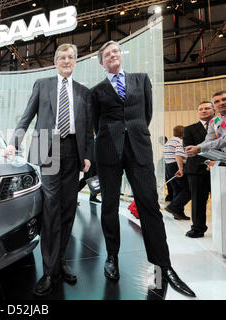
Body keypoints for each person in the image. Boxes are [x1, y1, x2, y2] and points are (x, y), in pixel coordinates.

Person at [91, 40, 195, 297]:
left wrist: (132, 132)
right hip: (108, 153)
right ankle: (112, 257)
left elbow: (145, 114)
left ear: (120, 55)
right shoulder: (96, 91)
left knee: (149, 206)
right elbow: (95, 125)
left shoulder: (141, 79)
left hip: (138, 149)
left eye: (115, 51)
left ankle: (164, 266)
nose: (113, 55)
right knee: (109, 207)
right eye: (107, 54)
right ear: (102, 62)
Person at [3, 43, 93, 296]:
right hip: (49, 148)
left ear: (75, 62)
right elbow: (27, 116)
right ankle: (49, 271)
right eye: (62, 57)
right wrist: (13, 143)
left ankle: (60, 261)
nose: (67, 61)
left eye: (71, 57)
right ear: (55, 62)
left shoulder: (83, 92)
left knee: (67, 210)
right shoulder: (42, 84)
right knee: (52, 208)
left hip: (73, 152)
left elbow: (87, 128)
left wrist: (87, 155)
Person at [182, 101, 216, 238]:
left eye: (207, 108)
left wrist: (215, 161)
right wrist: (208, 161)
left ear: (213, 110)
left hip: (218, 168)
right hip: (197, 170)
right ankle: (197, 228)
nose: (204, 111)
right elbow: (190, 150)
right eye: (201, 109)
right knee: (198, 201)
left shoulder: (220, 127)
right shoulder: (189, 129)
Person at [186, 91, 226, 156]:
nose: (221, 103)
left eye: (224, 99)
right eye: (217, 102)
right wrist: (194, 148)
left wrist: (199, 148)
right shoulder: (214, 121)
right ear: (214, 107)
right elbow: (209, 140)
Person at [163, 125, 190, 220]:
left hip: (169, 166)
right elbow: (179, 155)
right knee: (188, 190)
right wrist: (181, 169)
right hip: (177, 166)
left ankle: (178, 214)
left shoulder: (169, 142)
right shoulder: (180, 141)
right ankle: (173, 207)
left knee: (177, 190)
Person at [78, 137, 101, 203]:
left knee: (95, 179)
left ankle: (93, 197)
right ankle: (72, 195)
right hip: (90, 162)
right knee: (86, 179)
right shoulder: (92, 140)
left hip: (96, 162)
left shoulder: (98, 139)